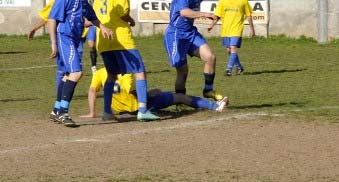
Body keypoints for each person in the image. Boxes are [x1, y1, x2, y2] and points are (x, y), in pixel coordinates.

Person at [47, 0, 113, 127]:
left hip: (75, 39)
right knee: (76, 73)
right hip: (65, 38)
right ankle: (63, 112)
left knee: (66, 74)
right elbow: (52, 19)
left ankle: (56, 110)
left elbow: (91, 16)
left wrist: (102, 26)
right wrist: (54, 42)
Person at [94, 0, 159, 122]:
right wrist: (130, 20)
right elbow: (123, 13)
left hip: (103, 41)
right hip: (121, 39)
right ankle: (143, 110)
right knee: (139, 71)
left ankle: (107, 111)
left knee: (111, 75)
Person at [164, 0, 222, 100]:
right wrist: (205, 14)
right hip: (175, 35)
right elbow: (184, 12)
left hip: (190, 33)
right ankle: (180, 100)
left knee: (210, 57)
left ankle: (208, 90)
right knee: (183, 70)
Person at [80, 67, 229, 118]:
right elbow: (134, 92)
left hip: (121, 111)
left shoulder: (99, 73)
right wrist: (151, 92)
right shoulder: (125, 73)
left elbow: (92, 90)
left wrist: (92, 112)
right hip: (140, 107)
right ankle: (214, 106)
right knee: (179, 97)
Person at [208, 0, 254, 76]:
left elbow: (249, 15)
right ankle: (239, 67)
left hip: (237, 29)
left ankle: (228, 70)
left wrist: (251, 29)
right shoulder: (223, 0)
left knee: (233, 48)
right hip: (226, 30)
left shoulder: (243, 0)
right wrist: (211, 26)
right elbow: (218, 15)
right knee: (229, 50)